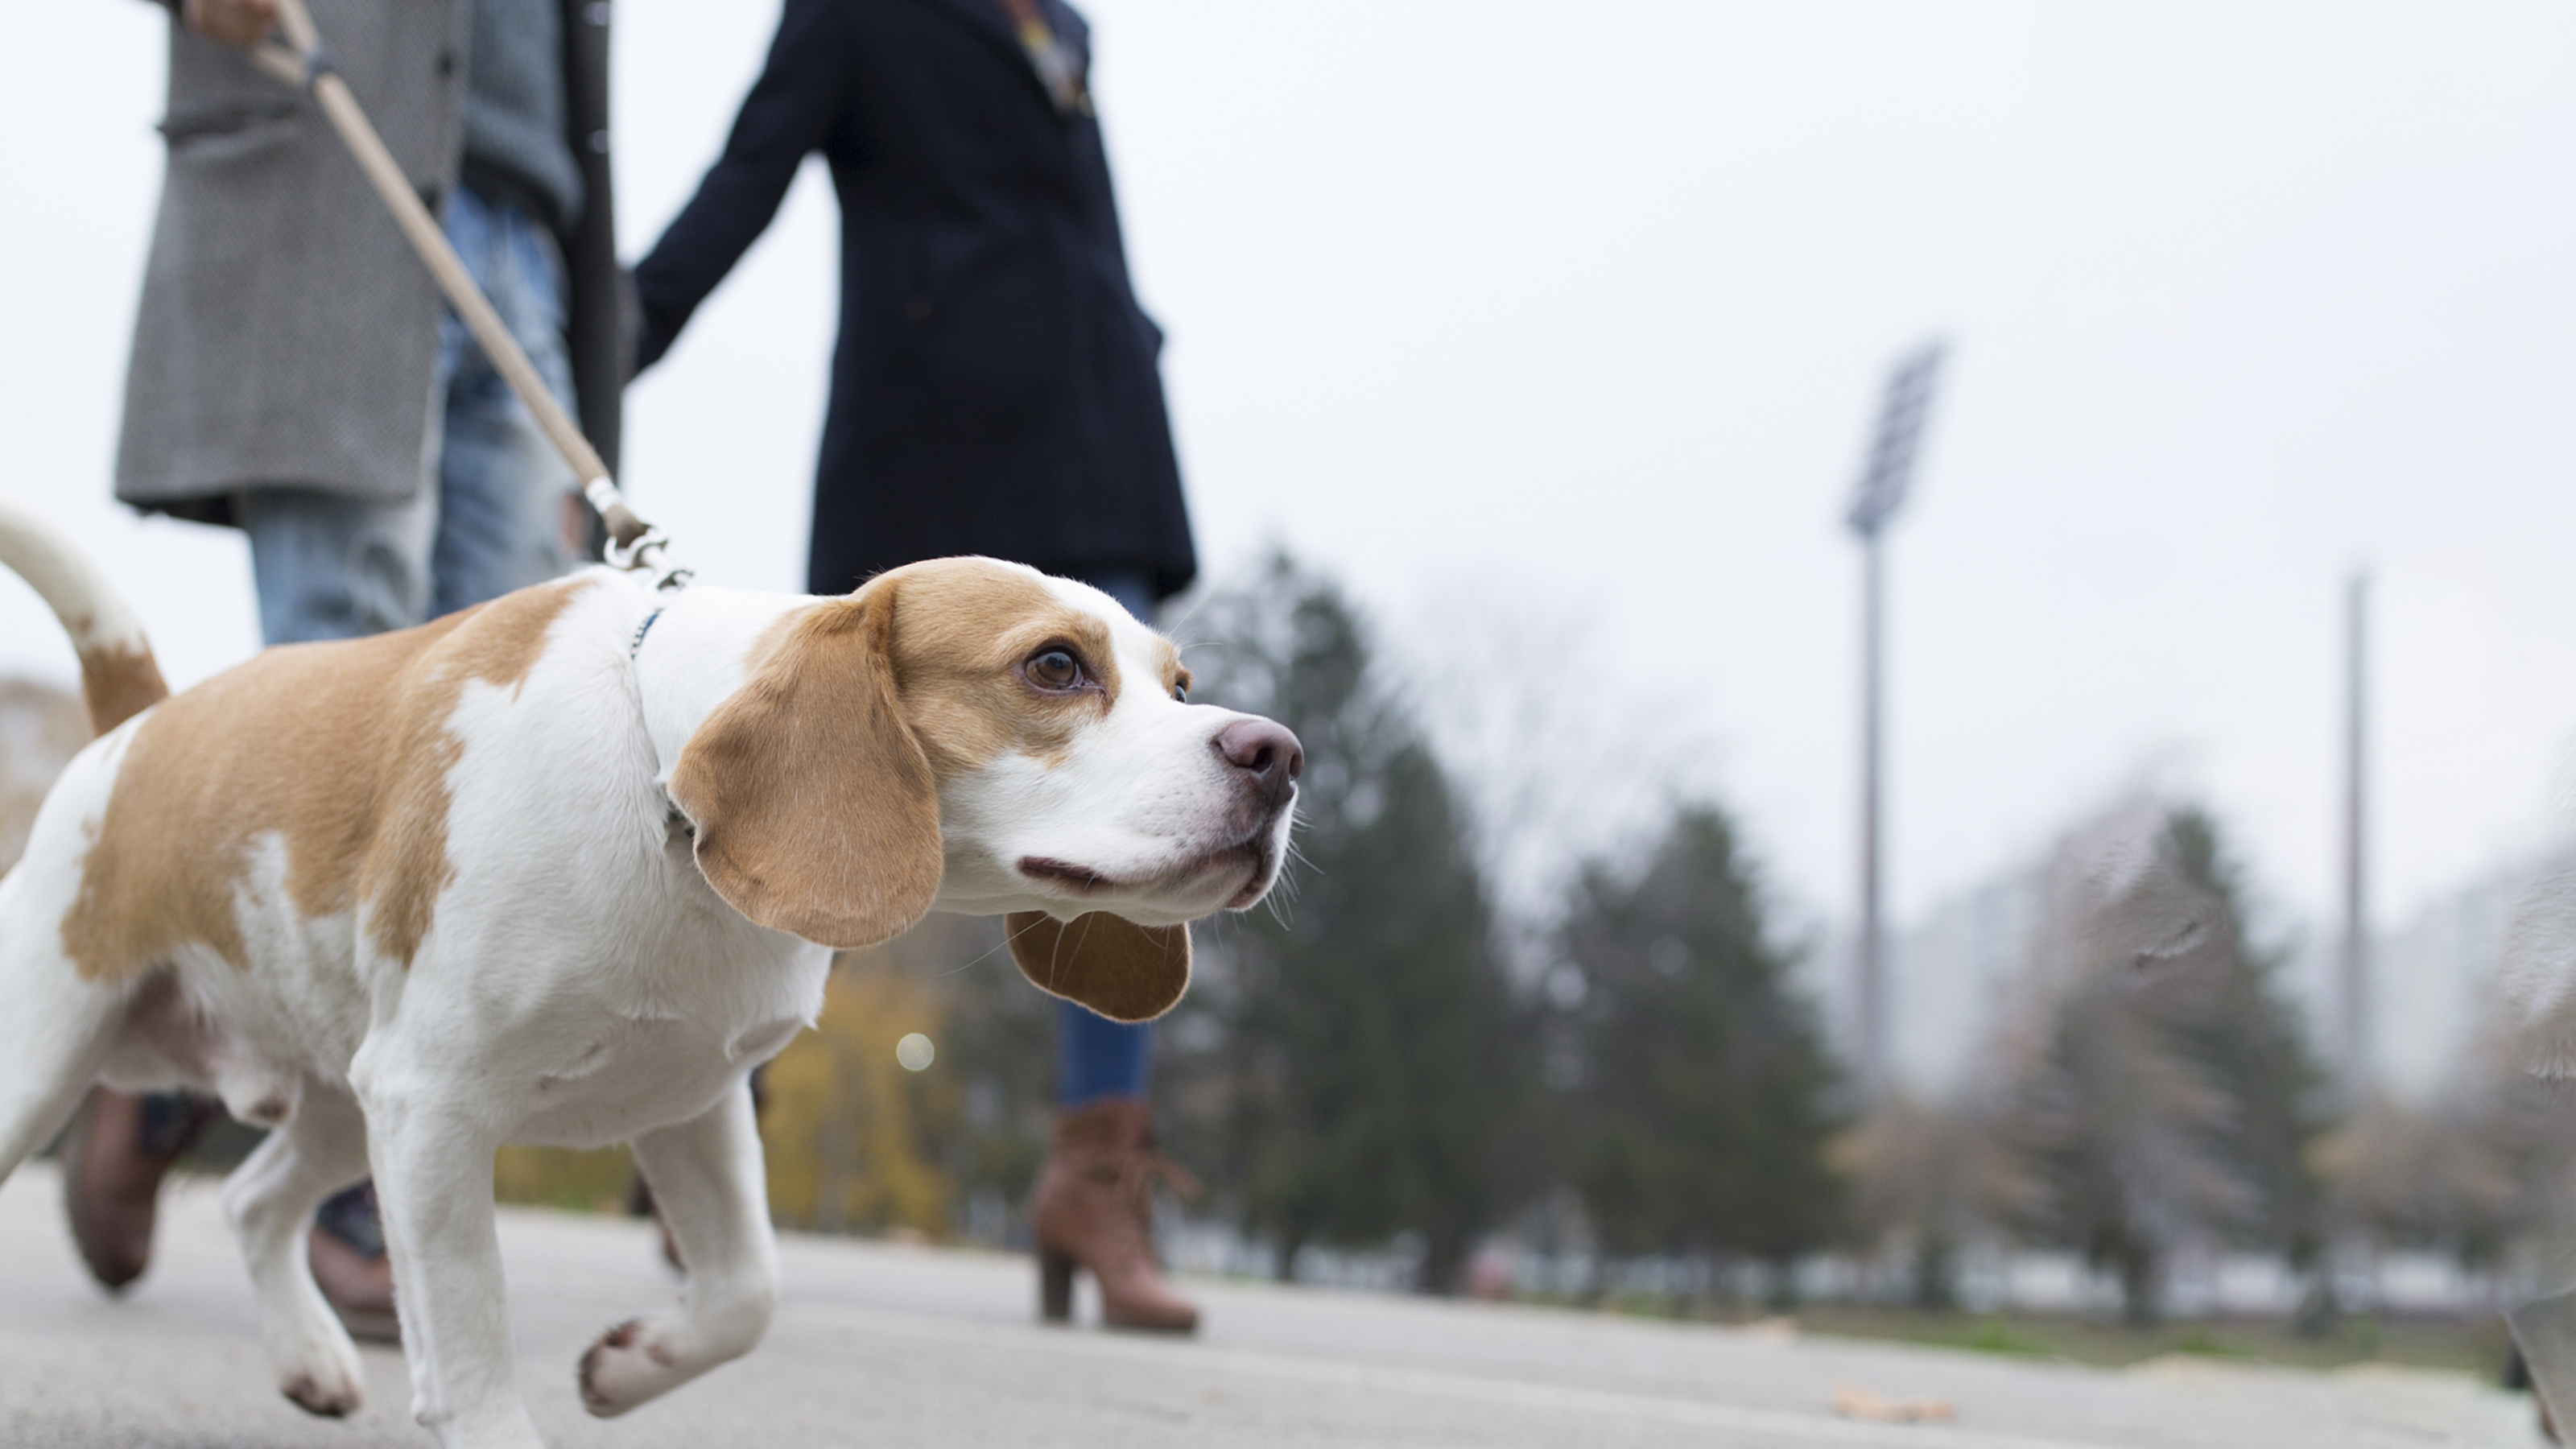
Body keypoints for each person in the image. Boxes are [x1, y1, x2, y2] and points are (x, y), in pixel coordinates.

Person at [631, 0, 1199, 1331]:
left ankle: (1095, 1176)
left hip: (1098, 444)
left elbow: (1088, 231)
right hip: (930, 445)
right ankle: (707, 1110)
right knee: (820, 781)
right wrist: (606, 346)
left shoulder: (1063, 27)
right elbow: (745, 177)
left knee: (1137, 804)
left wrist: (1140, 370)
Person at [68, 0, 623, 1340]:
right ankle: (333, 1175)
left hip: (526, 237)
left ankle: (169, 1075)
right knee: (339, 660)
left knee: (497, 753)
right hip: (331, 167)